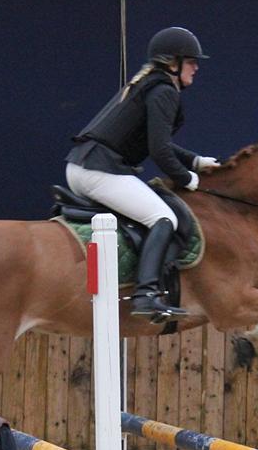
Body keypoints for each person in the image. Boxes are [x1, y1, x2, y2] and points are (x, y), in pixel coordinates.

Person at [65, 26, 220, 321]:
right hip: (99, 170)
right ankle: (146, 295)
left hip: (84, 166)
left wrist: (196, 161)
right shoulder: (163, 91)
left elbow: (158, 143)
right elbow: (159, 151)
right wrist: (188, 179)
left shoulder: (150, 85)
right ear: (172, 63)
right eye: (191, 61)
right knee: (164, 218)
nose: (196, 67)